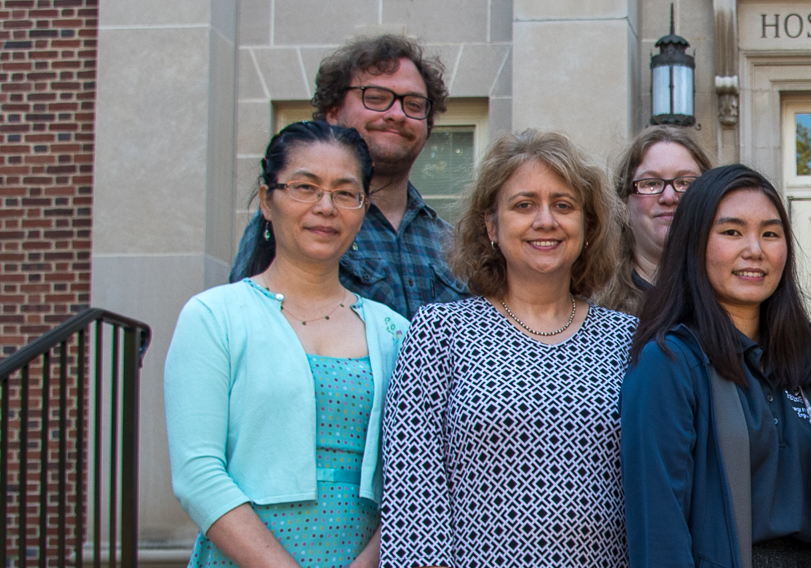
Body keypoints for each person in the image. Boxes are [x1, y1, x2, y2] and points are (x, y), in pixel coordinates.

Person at [379, 129, 633, 568]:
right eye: (523, 205)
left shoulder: (629, 340)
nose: (546, 220)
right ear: (491, 226)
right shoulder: (440, 333)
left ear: (588, 227)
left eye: (564, 205)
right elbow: (414, 502)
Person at [165, 121, 408, 568]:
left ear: (362, 207)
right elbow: (197, 476)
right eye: (305, 187)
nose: (325, 206)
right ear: (266, 200)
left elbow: (414, 479)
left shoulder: (396, 332)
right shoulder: (215, 317)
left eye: (345, 192)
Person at [622, 164, 811, 568]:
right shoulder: (669, 364)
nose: (755, 250)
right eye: (731, 232)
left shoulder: (805, 362)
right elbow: (659, 531)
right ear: (694, 244)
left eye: (770, 233)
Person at [230, 33, 464, 319]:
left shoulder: (453, 243)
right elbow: (246, 321)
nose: (396, 114)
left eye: (414, 105)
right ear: (332, 112)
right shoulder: (296, 221)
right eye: (376, 98)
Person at [596, 125, 715, 315]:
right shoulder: (594, 308)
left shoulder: (729, 300)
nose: (669, 197)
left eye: (685, 183)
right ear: (624, 201)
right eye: (651, 183)